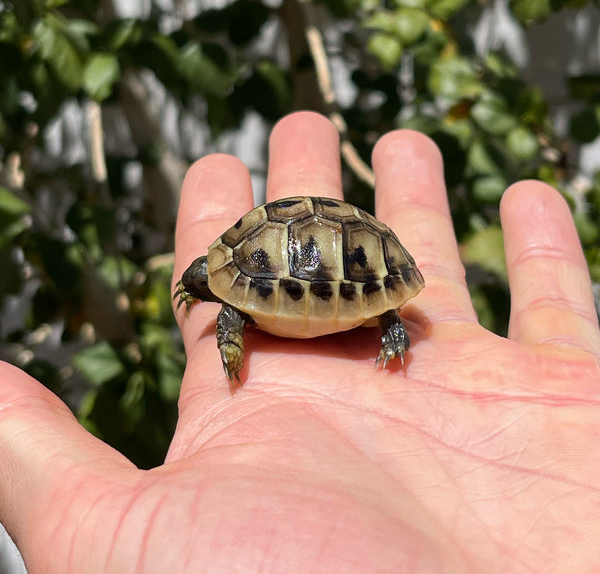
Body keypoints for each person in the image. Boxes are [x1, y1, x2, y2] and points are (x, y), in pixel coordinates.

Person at [1, 111, 599, 573]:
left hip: (350, 269)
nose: (199, 292)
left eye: (198, 283)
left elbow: (229, 311)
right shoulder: (228, 272)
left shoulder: (233, 303)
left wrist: (231, 345)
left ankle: (389, 326)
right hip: (306, 263)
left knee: (274, 319)